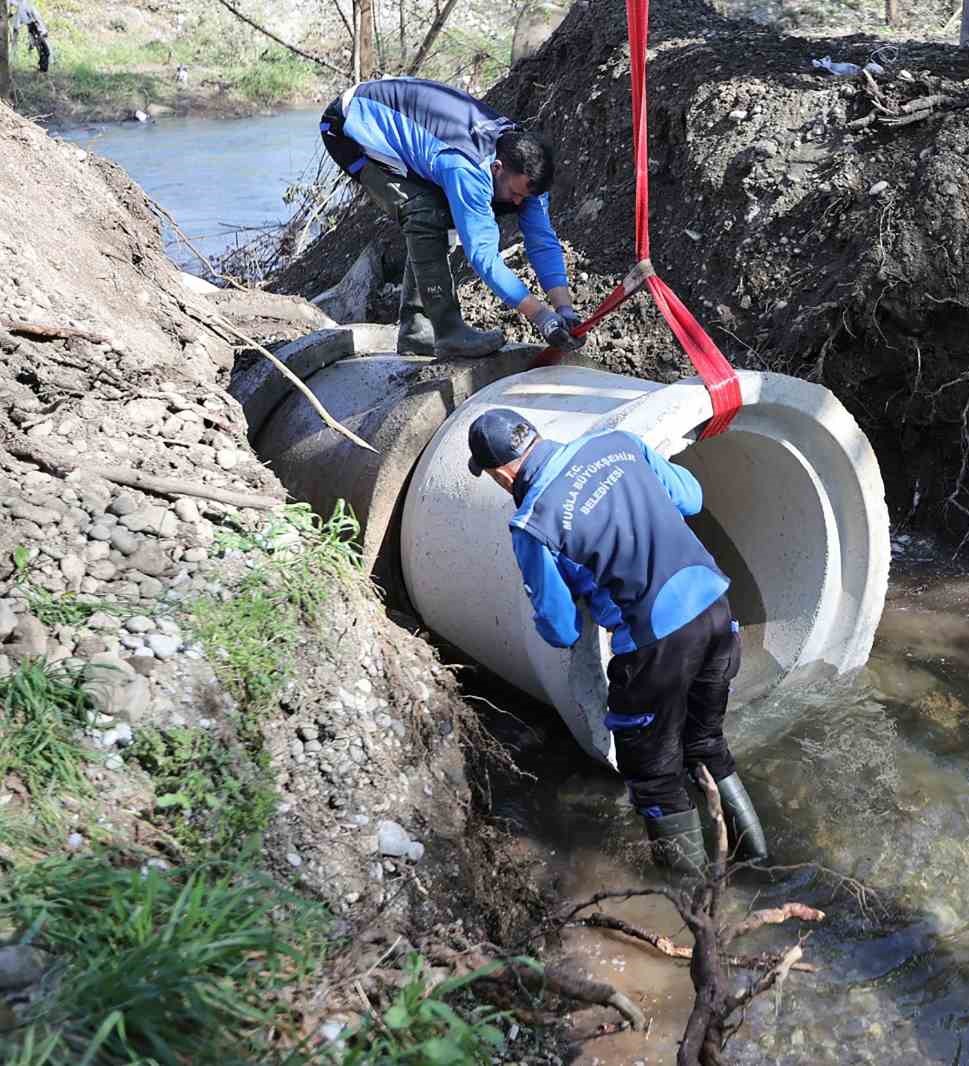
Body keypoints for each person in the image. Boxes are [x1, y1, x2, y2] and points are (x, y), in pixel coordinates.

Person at [466, 408, 768, 875]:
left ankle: (692, 901)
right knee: (705, 742)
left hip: (655, 647)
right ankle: (760, 865)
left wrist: (582, 586)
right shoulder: (619, 443)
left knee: (653, 774)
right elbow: (690, 498)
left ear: (501, 474)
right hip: (716, 613)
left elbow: (561, 629)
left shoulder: (532, 523)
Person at [318, 76, 586, 360]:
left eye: (525, 197)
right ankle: (447, 333)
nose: (518, 203)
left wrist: (564, 309)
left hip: (423, 132)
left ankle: (416, 332)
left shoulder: (526, 168)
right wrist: (541, 316)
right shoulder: (467, 168)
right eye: (515, 194)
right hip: (350, 125)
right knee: (425, 212)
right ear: (496, 168)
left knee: (445, 210)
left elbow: (542, 241)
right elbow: (483, 256)